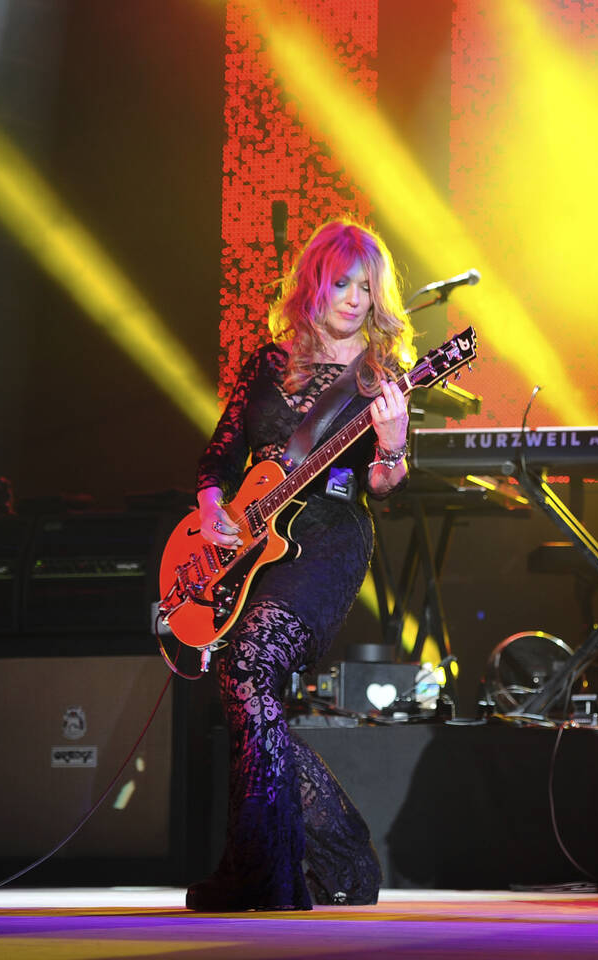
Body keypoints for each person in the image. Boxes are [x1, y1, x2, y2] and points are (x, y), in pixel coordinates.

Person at [187, 219, 413, 911]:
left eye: (366, 287)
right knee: (241, 679)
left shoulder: (380, 376)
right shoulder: (268, 363)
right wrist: (210, 512)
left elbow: (385, 487)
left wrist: (394, 445)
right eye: (341, 282)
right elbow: (219, 456)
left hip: (331, 537)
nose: (352, 298)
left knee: (250, 663)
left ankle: (260, 875)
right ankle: (337, 849)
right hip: (253, 545)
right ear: (315, 282)